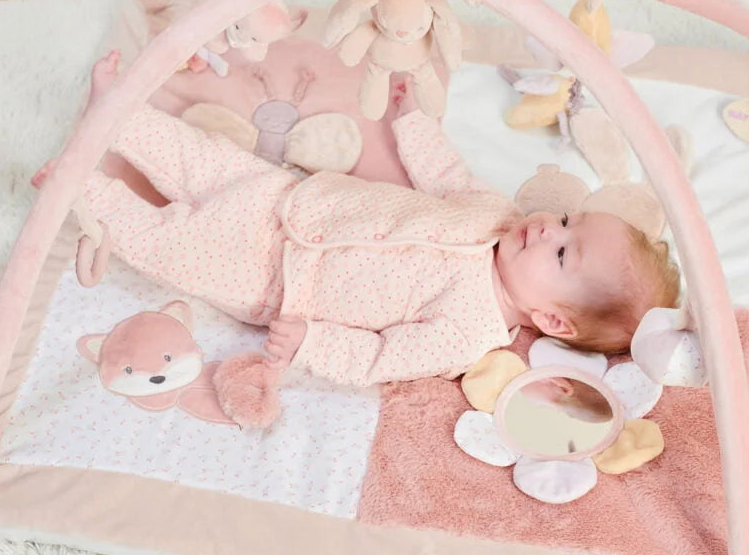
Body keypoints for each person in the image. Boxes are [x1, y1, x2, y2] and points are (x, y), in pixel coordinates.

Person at [35, 51, 680, 387]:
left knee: (166, 243)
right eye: (566, 221)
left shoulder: (469, 331)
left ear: (552, 320)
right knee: (201, 160)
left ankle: (82, 188)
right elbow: (446, 175)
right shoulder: (497, 215)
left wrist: (312, 342)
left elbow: (380, 357)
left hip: (271, 278)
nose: (548, 229)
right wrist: (412, 122)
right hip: (287, 199)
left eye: (562, 254)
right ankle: (116, 116)